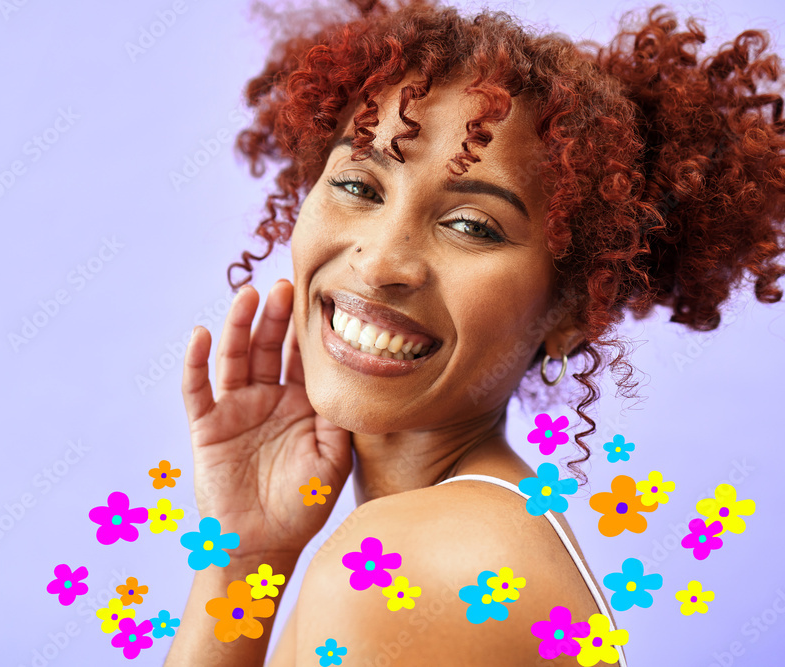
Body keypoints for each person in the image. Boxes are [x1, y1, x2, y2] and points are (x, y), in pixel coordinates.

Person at [165, 0, 785, 664]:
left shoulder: (414, 568)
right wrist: (245, 551)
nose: (381, 262)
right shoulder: (459, 534)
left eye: (471, 225)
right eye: (357, 184)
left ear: (576, 306)